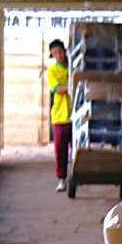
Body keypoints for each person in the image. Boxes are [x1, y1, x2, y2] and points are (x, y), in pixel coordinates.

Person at [48, 39, 72, 192]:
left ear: (65, 50)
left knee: (77, 149)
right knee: (60, 150)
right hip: (60, 116)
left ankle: (77, 176)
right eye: (55, 53)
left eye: (60, 52)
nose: (59, 55)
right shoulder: (52, 71)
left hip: (75, 115)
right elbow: (57, 89)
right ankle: (61, 178)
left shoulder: (74, 66)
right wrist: (72, 86)